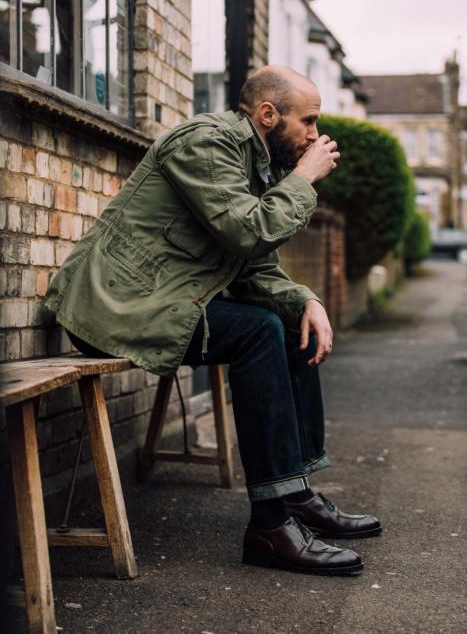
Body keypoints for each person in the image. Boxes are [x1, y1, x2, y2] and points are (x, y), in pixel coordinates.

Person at [43, 65, 382, 576]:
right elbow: (248, 232)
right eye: (307, 121)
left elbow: (256, 270)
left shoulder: (257, 163)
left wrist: (306, 300)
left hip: (167, 300)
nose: (315, 135)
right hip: (115, 308)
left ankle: (296, 495)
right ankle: (270, 525)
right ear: (268, 114)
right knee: (258, 332)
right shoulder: (205, 144)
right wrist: (304, 179)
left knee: (289, 323)